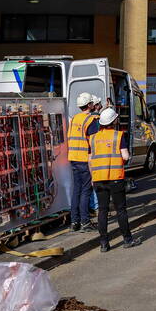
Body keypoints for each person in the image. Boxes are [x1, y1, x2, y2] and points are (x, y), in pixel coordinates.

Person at [89, 107, 141, 251]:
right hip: (115, 178)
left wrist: (93, 176)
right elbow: (125, 156)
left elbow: (90, 159)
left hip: (98, 178)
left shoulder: (93, 138)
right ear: (114, 121)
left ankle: (104, 244)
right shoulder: (118, 136)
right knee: (121, 210)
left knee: (102, 211)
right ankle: (127, 239)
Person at [66, 93, 98, 233]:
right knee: (86, 191)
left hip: (73, 158)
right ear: (89, 105)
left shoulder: (74, 119)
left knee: (77, 190)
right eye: (92, 103)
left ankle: (74, 222)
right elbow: (93, 142)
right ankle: (85, 222)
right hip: (85, 159)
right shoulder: (90, 120)